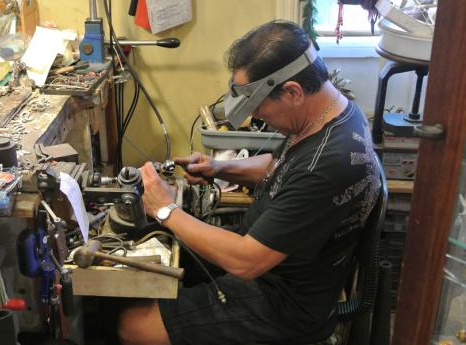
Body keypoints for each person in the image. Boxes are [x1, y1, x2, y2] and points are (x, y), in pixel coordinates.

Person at [117, 20, 381, 345]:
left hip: (283, 301)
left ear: (293, 92)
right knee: (149, 257)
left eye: (259, 108)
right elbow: (279, 167)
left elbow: (247, 261)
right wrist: (219, 168)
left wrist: (166, 210)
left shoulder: (328, 163)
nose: (258, 117)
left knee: (134, 325)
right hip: (271, 262)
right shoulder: (331, 113)